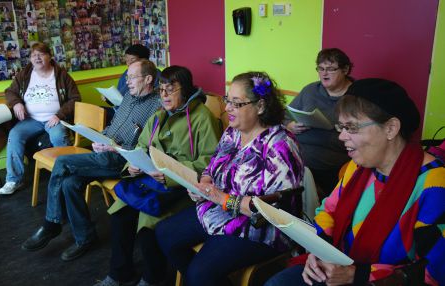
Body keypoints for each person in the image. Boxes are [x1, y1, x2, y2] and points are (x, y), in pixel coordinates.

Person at [265, 79, 445, 286]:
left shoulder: (433, 184)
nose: (342, 136)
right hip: (338, 266)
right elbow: (328, 211)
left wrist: (358, 275)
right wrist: (319, 251)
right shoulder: (358, 167)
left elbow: (434, 271)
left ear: (391, 128)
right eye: (341, 127)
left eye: (351, 127)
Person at [155, 72, 305, 286]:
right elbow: (213, 163)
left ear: (260, 106)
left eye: (236, 103)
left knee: (200, 272)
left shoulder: (280, 146)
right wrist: (204, 182)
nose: (227, 109)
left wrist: (218, 196)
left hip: (260, 228)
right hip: (219, 211)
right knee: (164, 233)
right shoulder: (232, 132)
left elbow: (270, 210)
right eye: (227, 100)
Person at [21, 59, 162, 262]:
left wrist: (113, 147)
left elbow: (147, 147)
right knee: (70, 183)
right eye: (127, 76)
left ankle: (51, 223)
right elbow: (114, 126)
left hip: (122, 160)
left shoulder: (156, 106)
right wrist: (100, 139)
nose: (127, 81)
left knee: (62, 163)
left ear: (148, 79)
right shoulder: (129, 98)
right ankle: (85, 237)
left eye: (132, 77)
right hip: (104, 153)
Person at [94, 66, 222, 286]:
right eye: (161, 89)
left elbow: (209, 162)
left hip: (182, 189)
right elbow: (142, 146)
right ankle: (120, 273)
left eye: (170, 90)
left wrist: (170, 174)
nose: (163, 95)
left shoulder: (203, 118)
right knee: (120, 214)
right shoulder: (158, 115)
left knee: (148, 225)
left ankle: (152, 279)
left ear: (186, 89)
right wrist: (132, 165)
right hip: (151, 182)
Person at [0, 42, 81, 195]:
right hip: (31, 120)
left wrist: (60, 115)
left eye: (41, 54)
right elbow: (10, 92)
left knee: (58, 137)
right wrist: (16, 104)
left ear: (50, 56)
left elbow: (75, 99)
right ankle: (13, 180)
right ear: (30, 59)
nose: (37, 58)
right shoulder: (24, 74)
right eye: (33, 55)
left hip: (54, 119)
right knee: (14, 136)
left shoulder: (62, 75)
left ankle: (68, 175)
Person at [286, 48, 353, 199]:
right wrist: (290, 125)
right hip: (297, 161)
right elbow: (284, 116)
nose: (324, 73)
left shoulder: (356, 96)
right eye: (321, 69)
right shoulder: (310, 90)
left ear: (345, 70)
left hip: (332, 166)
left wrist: (342, 128)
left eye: (330, 69)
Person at [103, 44, 153, 124]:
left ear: (144, 60)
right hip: (119, 111)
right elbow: (119, 97)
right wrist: (109, 99)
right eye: (127, 61)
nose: (128, 64)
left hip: (128, 114)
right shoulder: (126, 73)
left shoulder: (154, 75)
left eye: (132, 60)